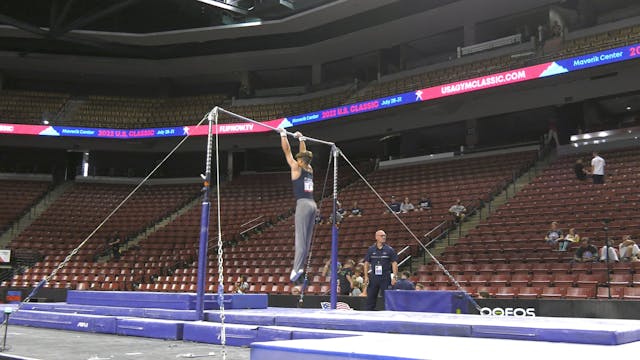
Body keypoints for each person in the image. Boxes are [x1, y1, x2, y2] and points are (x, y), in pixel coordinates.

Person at [280, 129, 317, 282]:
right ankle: (300, 266)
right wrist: (301, 139)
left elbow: (287, 151)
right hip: (313, 204)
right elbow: (304, 154)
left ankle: (296, 270)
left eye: (299, 159)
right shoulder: (309, 169)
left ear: (300, 161)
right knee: (306, 240)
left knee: (300, 239)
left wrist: (283, 135)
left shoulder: (296, 167)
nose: (297, 160)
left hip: (302, 204)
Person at [364, 230, 398, 311]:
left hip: (385, 277)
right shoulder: (371, 249)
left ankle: (389, 313)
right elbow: (366, 263)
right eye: (382, 235)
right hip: (374, 277)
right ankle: (369, 313)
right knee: (371, 297)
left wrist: (395, 277)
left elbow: (394, 263)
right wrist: (366, 276)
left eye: (384, 235)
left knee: (386, 297)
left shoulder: (390, 250)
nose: (384, 237)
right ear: (376, 237)